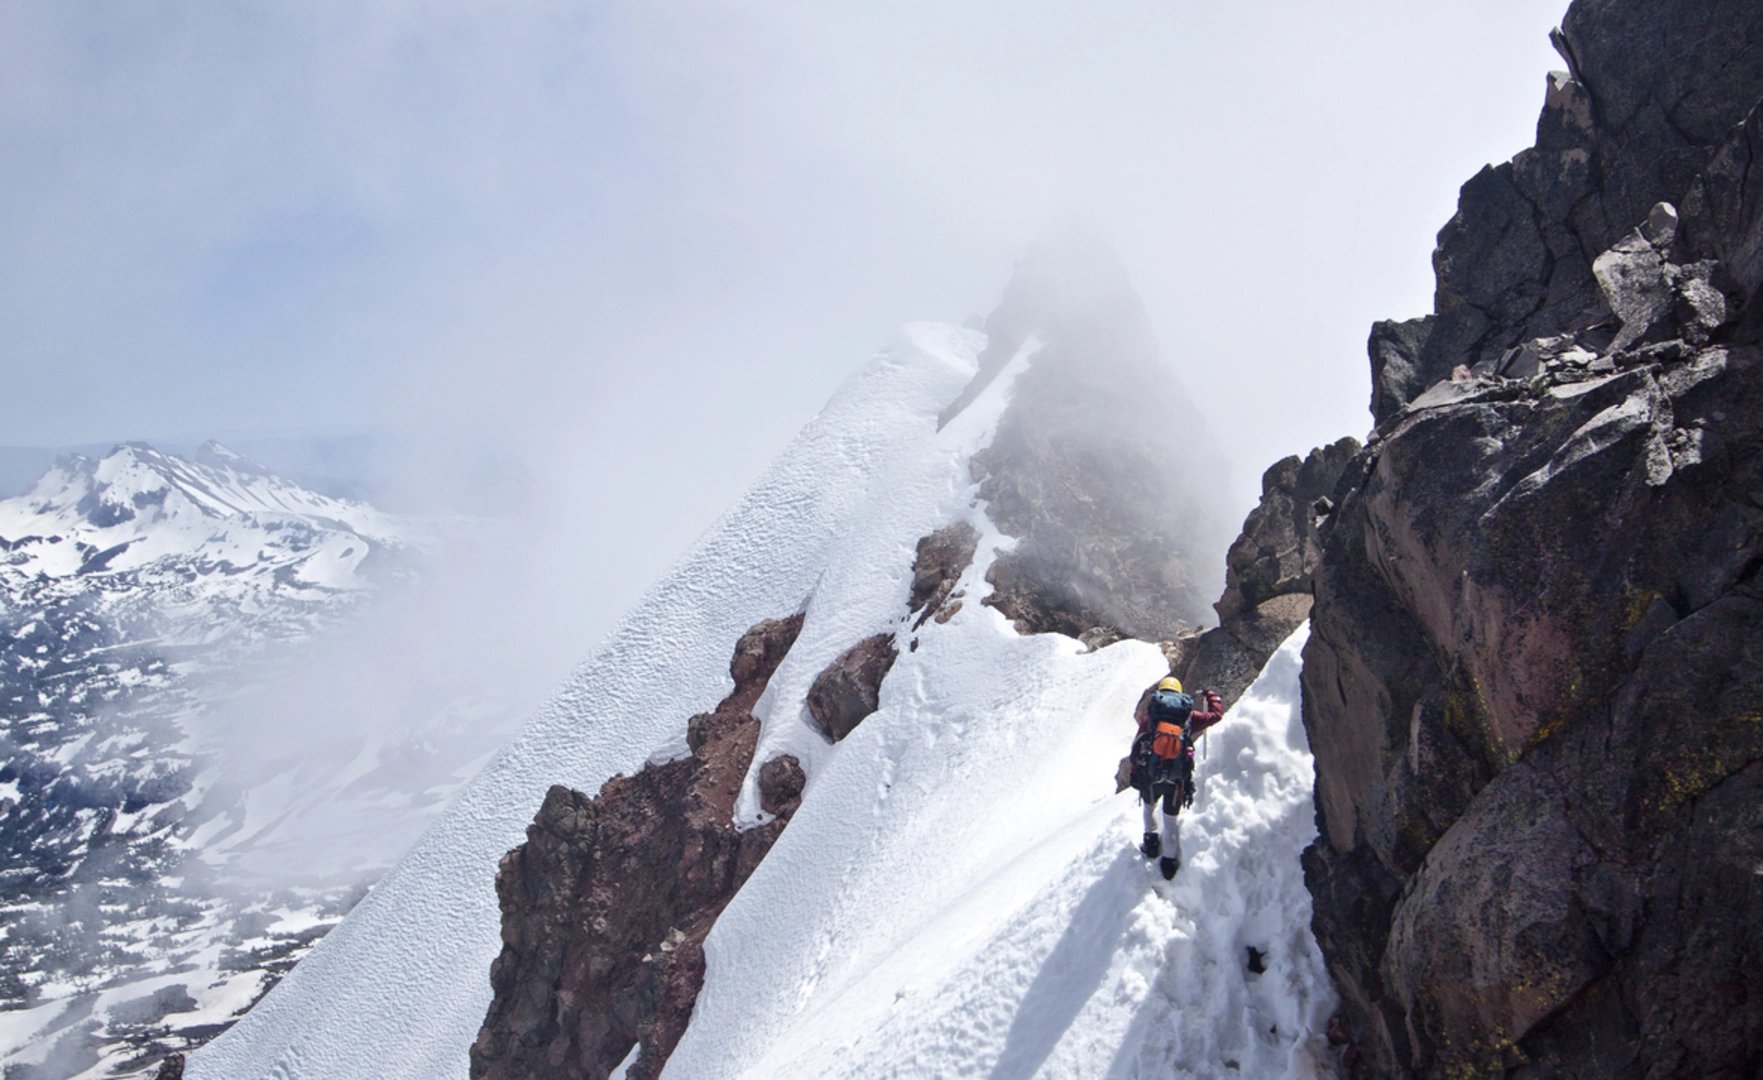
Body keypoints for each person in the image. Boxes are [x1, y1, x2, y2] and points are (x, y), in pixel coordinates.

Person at [1130, 676, 1223, 880]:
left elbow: (1138, 745)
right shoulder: (1188, 716)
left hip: (1151, 775)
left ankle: (1151, 843)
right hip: (1177, 777)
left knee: (1149, 807)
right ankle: (1169, 863)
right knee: (1170, 820)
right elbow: (1216, 715)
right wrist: (1211, 696)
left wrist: (1135, 772)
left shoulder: (1151, 717)